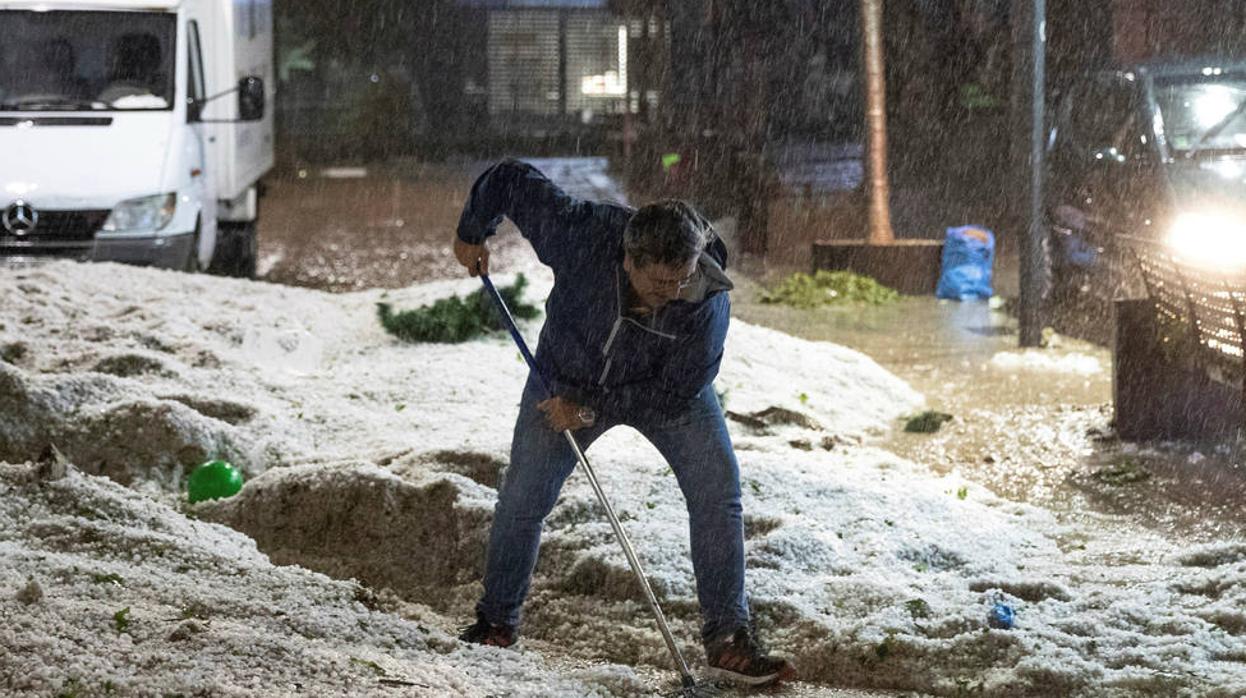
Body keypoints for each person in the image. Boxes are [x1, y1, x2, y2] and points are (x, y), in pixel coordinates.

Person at [452, 159, 796, 686]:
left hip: (667, 395)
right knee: (523, 498)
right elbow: (510, 179)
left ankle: (728, 639)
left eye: (679, 280)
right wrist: (472, 231)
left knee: (717, 493)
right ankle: (497, 621)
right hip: (565, 378)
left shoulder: (704, 299)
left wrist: (589, 409)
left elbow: (674, 392)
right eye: (657, 282)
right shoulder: (582, 233)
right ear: (627, 259)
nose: (669, 294)